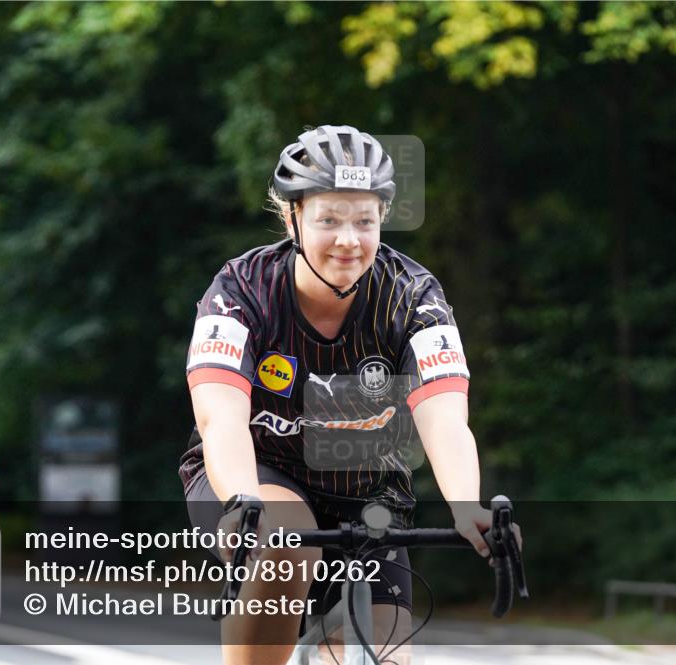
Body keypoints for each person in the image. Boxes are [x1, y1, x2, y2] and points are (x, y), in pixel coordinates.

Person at [179, 125, 502, 665]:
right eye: (328, 220)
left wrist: (466, 503)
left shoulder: (413, 295)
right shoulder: (241, 289)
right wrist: (241, 500)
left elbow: (444, 419)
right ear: (293, 218)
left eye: (365, 221)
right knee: (287, 538)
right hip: (261, 474)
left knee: (385, 656)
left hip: (368, 489)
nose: (348, 240)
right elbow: (221, 419)